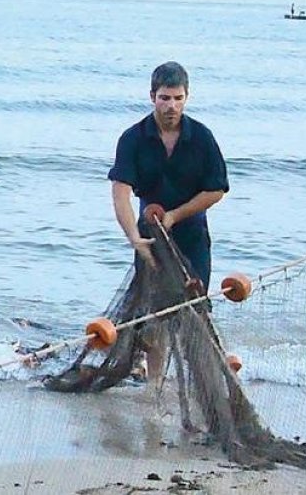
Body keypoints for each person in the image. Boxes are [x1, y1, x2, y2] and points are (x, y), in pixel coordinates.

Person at [109, 62, 229, 380]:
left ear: (187, 97)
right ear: (152, 97)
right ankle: (155, 382)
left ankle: (201, 382)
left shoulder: (202, 138)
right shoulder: (132, 139)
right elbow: (120, 192)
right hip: (150, 236)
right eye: (164, 98)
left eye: (177, 98)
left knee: (194, 311)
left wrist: (176, 215)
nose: (171, 106)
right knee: (155, 315)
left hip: (192, 233)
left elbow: (216, 189)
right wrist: (134, 237)